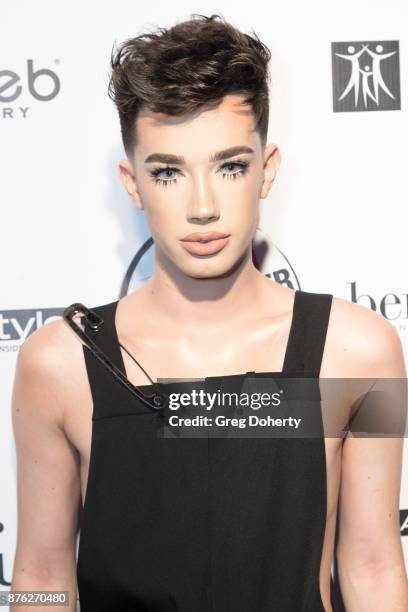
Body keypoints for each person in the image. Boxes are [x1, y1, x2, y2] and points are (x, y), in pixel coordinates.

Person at [10, 13, 408, 612]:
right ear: (133, 183)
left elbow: (374, 567)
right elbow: (42, 574)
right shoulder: (59, 363)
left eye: (230, 166)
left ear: (266, 170)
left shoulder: (360, 351)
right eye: (168, 172)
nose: (202, 206)